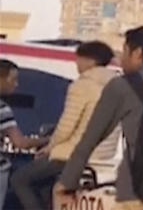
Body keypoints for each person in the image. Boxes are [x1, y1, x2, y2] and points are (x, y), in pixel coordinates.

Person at [54, 27, 143, 210]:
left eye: (124, 51)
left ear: (137, 53)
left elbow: (89, 141)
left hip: (137, 193)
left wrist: (65, 184)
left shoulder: (122, 86)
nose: (121, 59)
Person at [11, 42, 119, 210]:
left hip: (73, 154)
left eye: (79, 59)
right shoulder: (118, 87)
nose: (76, 64)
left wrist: (49, 147)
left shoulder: (83, 85)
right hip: (103, 156)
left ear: (89, 60)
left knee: (20, 179)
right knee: (44, 184)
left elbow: (66, 127)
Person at [1, 60, 48, 209]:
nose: (16, 85)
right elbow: (19, 142)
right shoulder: (2, 109)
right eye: (13, 79)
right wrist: (49, 139)